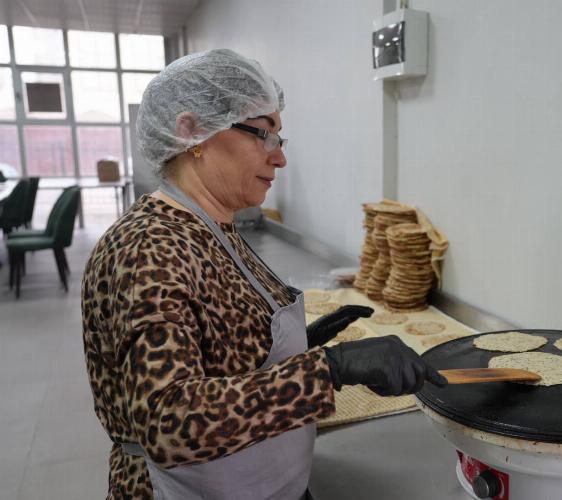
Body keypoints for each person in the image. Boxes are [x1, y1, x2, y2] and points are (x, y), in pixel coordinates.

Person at [81, 48, 447, 500]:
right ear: (191, 131)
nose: (279, 159)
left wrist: (298, 346)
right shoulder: (148, 247)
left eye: (280, 139)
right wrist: (329, 369)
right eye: (262, 134)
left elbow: (211, 348)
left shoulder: (213, 225)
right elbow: (170, 421)